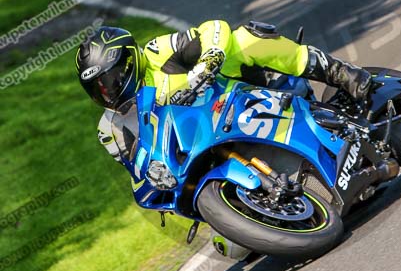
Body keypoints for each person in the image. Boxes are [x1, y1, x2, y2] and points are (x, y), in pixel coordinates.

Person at [76, 20, 372, 163]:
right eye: (97, 88)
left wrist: (209, 60)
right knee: (234, 247)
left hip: (246, 97)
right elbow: (140, 172)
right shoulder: (111, 129)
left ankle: (340, 72)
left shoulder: (157, 52)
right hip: (212, 155)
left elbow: (215, 27)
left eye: (111, 79)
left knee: (244, 39)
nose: (108, 91)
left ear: (129, 59)